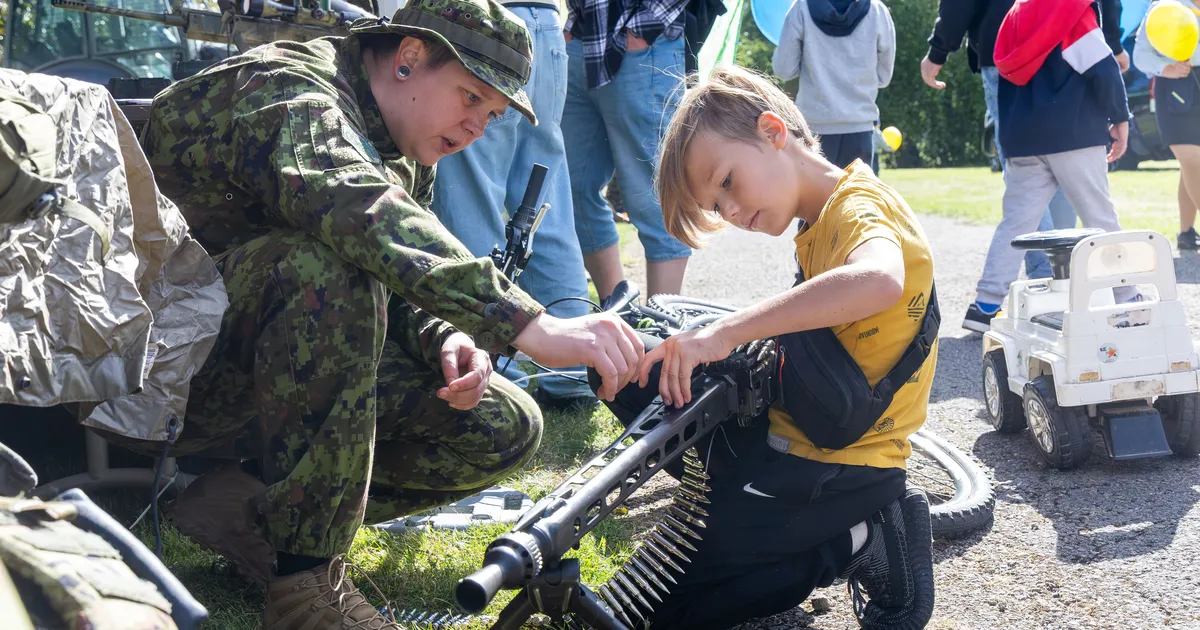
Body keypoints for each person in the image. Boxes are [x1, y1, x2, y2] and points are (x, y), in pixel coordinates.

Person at [135, 1, 646, 627]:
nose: (477, 126)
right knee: (323, 265)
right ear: (408, 58)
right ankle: (303, 584)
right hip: (163, 374)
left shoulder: (399, 143)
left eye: (492, 114)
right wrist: (528, 324)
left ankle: (245, 508)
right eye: (471, 96)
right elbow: (359, 210)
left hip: (275, 367)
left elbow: (392, 269)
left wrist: (443, 335)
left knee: (503, 423)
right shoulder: (286, 88)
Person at [594, 64, 938, 630]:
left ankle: (859, 537)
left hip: (839, 470)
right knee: (620, 367)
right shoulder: (817, 218)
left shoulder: (858, 207)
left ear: (773, 132)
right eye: (716, 205)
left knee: (659, 614)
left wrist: (725, 333)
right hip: (791, 426)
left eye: (727, 182)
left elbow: (880, 279)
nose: (730, 212)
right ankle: (737, 504)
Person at [430, 0, 596, 406]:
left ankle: (495, 375)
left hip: (482, 25)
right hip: (545, 24)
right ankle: (576, 371)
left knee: (472, 209)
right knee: (546, 210)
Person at [921, 0, 1127, 280]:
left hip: (1006, 47)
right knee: (1076, 170)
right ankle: (1068, 271)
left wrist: (939, 49)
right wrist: (1112, 43)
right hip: (1069, 30)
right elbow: (1103, 60)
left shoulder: (1010, 19)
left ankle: (1035, 275)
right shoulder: (1078, 17)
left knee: (1024, 193)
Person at [965, 0, 1133, 332]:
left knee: (1015, 224)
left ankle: (985, 305)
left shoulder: (1014, 15)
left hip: (1022, 137)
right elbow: (1102, 67)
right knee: (1100, 218)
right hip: (1074, 133)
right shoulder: (1071, 10)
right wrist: (1120, 117)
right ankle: (1127, 298)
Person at [560, 0, 693, 302]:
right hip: (582, 40)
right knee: (572, 189)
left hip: (644, 46)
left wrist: (645, 27)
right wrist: (572, 27)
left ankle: (663, 321)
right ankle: (618, 312)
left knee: (654, 198)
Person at [770, 0, 896, 170]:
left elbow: (784, 70)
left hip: (814, 128)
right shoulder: (877, 10)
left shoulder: (801, 7)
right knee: (856, 188)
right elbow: (884, 77)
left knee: (815, 189)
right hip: (860, 127)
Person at [1132, 0, 1200, 250]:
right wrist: (1166, 68)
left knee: (1190, 166)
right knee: (1192, 160)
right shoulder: (1163, 6)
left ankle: (1186, 232)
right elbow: (1140, 55)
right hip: (1175, 90)